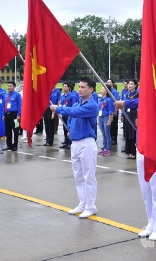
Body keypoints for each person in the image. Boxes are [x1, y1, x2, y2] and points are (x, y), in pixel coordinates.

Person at [51, 78, 99, 219]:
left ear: (91, 89)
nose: (80, 89)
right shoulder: (78, 102)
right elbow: (72, 118)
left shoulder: (92, 105)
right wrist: (71, 129)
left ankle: (91, 206)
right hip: (76, 143)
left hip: (87, 143)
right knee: (78, 176)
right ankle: (83, 203)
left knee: (88, 176)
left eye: (83, 87)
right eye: (79, 87)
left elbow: (75, 112)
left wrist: (58, 108)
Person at [121, 80, 139, 159]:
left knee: (133, 132)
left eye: (132, 84)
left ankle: (134, 152)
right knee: (127, 132)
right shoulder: (126, 94)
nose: (129, 85)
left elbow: (138, 106)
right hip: (127, 114)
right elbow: (123, 105)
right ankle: (129, 151)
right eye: (129, 84)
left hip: (134, 114)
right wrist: (122, 114)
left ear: (135, 85)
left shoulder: (137, 95)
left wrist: (138, 117)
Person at [2, 81, 22, 151]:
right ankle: (9, 145)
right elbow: (4, 105)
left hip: (14, 115)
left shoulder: (17, 95)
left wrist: (19, 115)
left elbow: (20, 106)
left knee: (16, 130)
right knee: (8, 131)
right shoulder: (6, 95)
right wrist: (3, 114)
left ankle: (15, 145)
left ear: (14, 87)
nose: (9, 87)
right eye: (8, 86)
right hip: (7, 115)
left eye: (10, 86)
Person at [98, 85, 115, 156]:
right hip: (101, 117)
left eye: (103, 89)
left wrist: (109, 120)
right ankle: (104, 148)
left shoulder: (109, 100)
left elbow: (110, 111)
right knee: (104, 135)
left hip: (106, 118)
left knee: (107, 134)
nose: (101, 90)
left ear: (106, 91)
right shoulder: (100, 100)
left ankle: (108, 149)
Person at [60, 82, 77, 149]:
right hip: (64, 114)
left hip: (69, 114)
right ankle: (66, 142)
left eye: (65, 86)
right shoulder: (63, 96)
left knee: (69, 128)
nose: (64, 88)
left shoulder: (72, 96)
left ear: (69, 88)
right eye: (63, 86)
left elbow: (74, 105)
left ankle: (70, 142)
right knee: (65, 129)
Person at [106, 79, 120, 145]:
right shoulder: (107, 91)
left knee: (114, 125)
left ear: (112, 84)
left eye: (109, 82)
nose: (108, 83)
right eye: (107, 82)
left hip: (114, 110)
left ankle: (114, 139)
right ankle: (110, 138)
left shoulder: (115, 92)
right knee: (110, 126)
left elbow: (116, 102)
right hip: (109, 110)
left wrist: (115, 111)